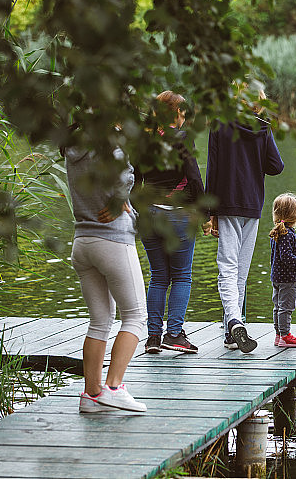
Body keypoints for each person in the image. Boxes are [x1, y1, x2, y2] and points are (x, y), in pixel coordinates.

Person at [65, 138, 147, 413]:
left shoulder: (72, 148)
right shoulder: (110, 141)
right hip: (113, 241)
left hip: (82, 240)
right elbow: (124, 176)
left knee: (100, 321)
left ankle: (91, 395)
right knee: (136, 316)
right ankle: (113, 387)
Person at [205, 90, 284, 353]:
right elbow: (276, 166)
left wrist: (209, 211)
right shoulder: (262, 128)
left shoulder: (219, 124)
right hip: (252, 203)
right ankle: (232, 328)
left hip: (226, 202)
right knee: (241, 268)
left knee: (227, 266)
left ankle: (233, 321)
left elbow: (212, 169)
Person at [139, 91, 205, 355]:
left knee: (158, 276)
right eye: (183, 112)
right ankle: (175, 334)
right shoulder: (183, 138)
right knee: (181, 276)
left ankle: (153, 337)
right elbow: (195, 178)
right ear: (176, 113)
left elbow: (136, 178)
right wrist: (206, 215)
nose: (185, 116)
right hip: (177, 214)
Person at [268, 193, 296, 347]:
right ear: (295, 215)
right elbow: (287, 258)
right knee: (286, 307)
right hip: (287, 278)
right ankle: (285, 335)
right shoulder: (287, 234)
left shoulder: (277, 232)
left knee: (278, 307)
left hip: (277, 276)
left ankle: (279, 334)